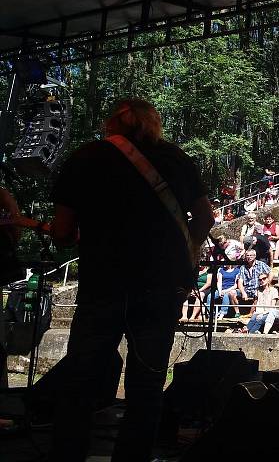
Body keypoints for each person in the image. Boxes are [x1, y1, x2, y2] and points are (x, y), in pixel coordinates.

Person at [50, 98, 214, 461]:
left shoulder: (86, 158)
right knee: (147, 385)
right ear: (153, 124)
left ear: (112, 124)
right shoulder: (176, 159)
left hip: (102, 287)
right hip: (159, 289)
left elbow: (62, 232)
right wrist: (186, 252)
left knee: (79, 384)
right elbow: (204, 219)